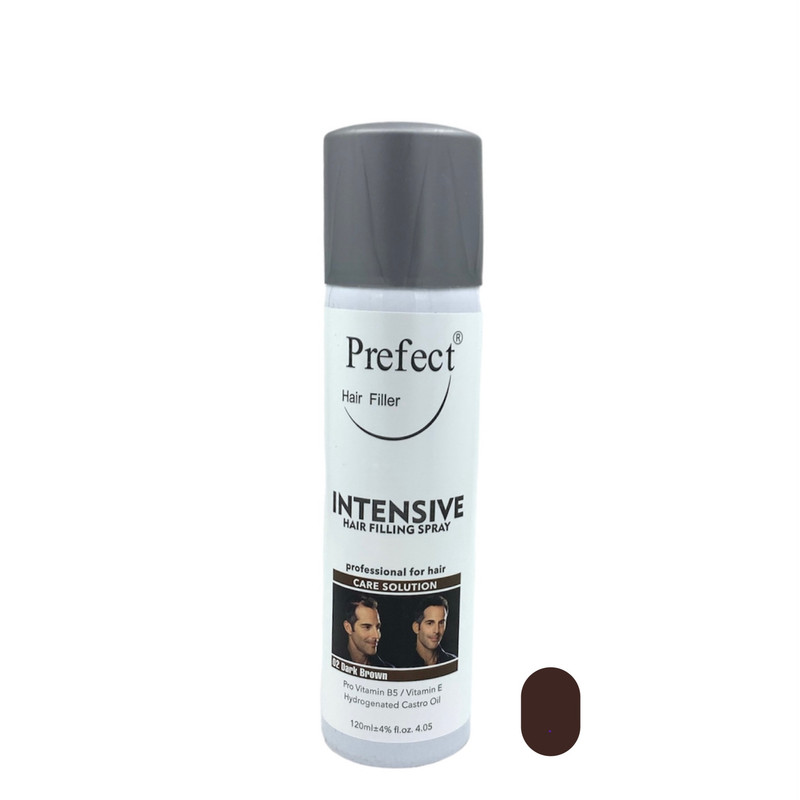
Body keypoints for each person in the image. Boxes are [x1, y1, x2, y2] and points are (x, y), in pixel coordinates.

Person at [342, 596, 394, 667]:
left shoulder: (388, 668)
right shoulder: (332, 657)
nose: (377, 636)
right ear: (348, 628)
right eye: (367, 627)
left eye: (377, 627)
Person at [411, 596, 456, 666]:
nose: (437, 631)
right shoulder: (400, 664)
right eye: (430, 623)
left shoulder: (452, 661)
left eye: (441, 623)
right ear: (416, 627)